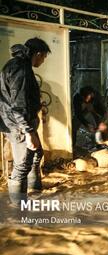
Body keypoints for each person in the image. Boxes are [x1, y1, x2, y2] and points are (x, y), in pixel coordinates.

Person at [0, 37, 51, 204]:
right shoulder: (20, 69)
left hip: (20, 121)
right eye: (44, 57)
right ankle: (18, 206)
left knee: (37, 154)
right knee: (22, 165)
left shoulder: (18, 65)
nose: (43, 61)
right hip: (18, 124)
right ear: (37, 54)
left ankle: (34, 187)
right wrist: (27, 132)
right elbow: (17, 105)